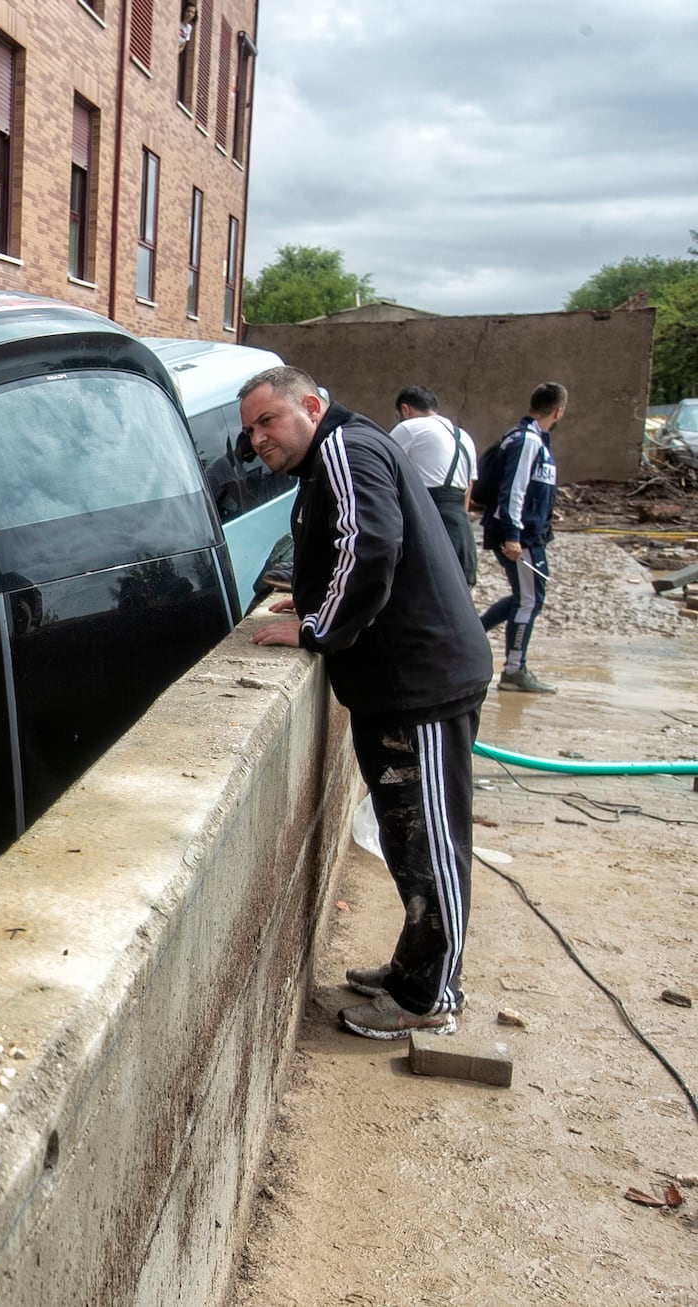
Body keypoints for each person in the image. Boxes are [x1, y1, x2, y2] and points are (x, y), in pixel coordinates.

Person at [240, 366, 492, 1040]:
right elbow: (349, 545)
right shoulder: (330, 460)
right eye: (251, 429)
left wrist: (319, 627)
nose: (259, 438)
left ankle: (430, 995)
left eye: (268, 420)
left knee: (432, 841)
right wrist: (317, 593)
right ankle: (414, 969)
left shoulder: (344, 448)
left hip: (424, 683)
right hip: (397, 684)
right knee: (408, 837)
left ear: (312, 406)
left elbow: (371, 542)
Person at [480, 383, 566, 694]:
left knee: (525, 597)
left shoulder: (530, 438)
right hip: (521, 537)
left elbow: (531, 488)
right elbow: (513, 489)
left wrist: (546, 514)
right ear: (558, 411)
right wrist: (514, 534)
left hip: (530, 531)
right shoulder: (526, 440)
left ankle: (471, 635)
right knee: (530, 600)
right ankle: (514, 670)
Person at [389, 386, 479, 586]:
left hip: (426, 520)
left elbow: (383, 466)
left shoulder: (409, 428)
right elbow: (468, 487)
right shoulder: (464, 436)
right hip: (460, 528)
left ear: (405, 409)